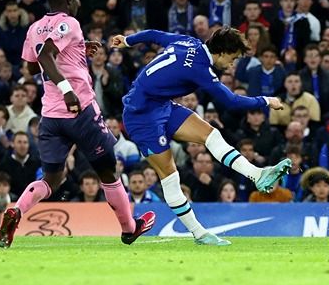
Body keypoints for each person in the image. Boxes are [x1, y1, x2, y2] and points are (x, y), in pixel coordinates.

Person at [0, 0, 156, 249]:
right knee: (108, 171)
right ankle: (130, 228)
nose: (79, 1)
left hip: (51, 116)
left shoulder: (35, 27)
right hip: (80, 110)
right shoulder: (69, 22)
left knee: (52, 179)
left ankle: (16, 211)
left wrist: (78, 52)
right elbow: (47, 56)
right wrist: (67, 88)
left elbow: (33, 67)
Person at [109, 27, 292, 246]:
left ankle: (257, 175)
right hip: (141, 117)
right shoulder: (200, 68)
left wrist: (128, 40)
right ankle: (199, 233)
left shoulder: (188, 41)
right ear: (222, 52)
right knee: (170, 175)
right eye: (233, 59)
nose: (232, 64)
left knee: (211, 134)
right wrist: (266, 100)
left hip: (161, 106)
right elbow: (231, 101)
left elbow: (154, 35)